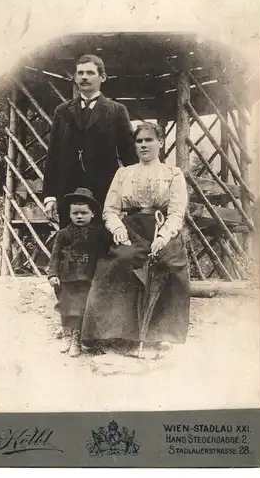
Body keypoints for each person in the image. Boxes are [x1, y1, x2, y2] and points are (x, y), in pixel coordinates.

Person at [81, 122, 190, 355]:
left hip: (161, 228)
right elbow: (110, 209)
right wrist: (117, 227)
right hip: (131, 229)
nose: (143, 145)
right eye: (139, 141)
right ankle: (116, 332)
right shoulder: (124, 174)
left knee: (169, 262)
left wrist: (163, 236)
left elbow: (177, 212)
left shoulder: (173, 174)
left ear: (160, 143)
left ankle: (163, 333)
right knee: (122, 259)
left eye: (149, 140)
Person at [43, 54, 137, 228]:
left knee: (103, 246)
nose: (84, 77)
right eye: (80, 73)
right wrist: (50, 196)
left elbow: (129, 155)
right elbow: (53, 155)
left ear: (102, 77)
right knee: (71, 245)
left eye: (90, 73)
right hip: (68, 193)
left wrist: (130, 196)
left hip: (104, 193)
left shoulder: (116, 111)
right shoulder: (62, 111)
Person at [47, 188, 111, 357]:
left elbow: (106, 252)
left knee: (80, 308)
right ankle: (66, 336)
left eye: (84, 213)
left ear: (92, 214)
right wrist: (53, 274)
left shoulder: (98, 233)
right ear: (69, 214)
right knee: (65, 307)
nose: (79, 216)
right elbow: (55, 256)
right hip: (66, 278)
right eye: (75, 213)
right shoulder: (63, 234)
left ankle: (77, 338)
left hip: (86, 278)